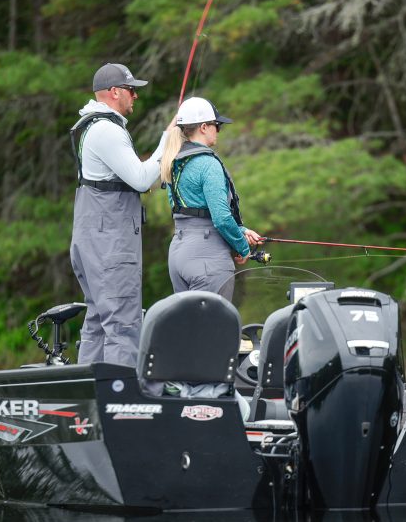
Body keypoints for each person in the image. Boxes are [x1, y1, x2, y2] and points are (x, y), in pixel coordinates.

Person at [69, 62, 172, 366]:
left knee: (98, 322)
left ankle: (89, 398)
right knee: (123, 323)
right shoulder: (106, 130)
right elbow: (141, 179)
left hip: (93, 238)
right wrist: (166, 145)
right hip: (110, 244)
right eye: (130, 90)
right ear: (114, 92)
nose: (134, 96)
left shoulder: (92, 126)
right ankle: (121, 405)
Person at [160, 97, 263, 302]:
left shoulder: (175, 161)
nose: (218, 130)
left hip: (178, 253)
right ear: (204, 127)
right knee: (212, 330)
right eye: (217, 125)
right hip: (207, 258)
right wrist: (244, 248)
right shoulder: (208, 164)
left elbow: (195, 213)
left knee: (189, 329)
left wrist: (241, 231)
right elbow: (221, 218)